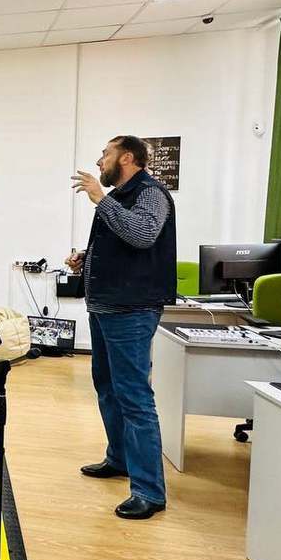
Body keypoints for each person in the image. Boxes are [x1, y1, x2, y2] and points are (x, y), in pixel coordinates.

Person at [68, 135, 177, 521]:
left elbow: (143, 235)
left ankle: (149, 491)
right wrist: (86, 258)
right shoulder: (120, 197)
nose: (100, 162)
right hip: (106, 307)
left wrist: (100, 198)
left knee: (134, 397)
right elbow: (124, 243)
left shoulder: (151, 193)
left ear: (127, 157)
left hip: (130, 310)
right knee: (108, 387)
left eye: (105, 154)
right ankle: (120, 458)